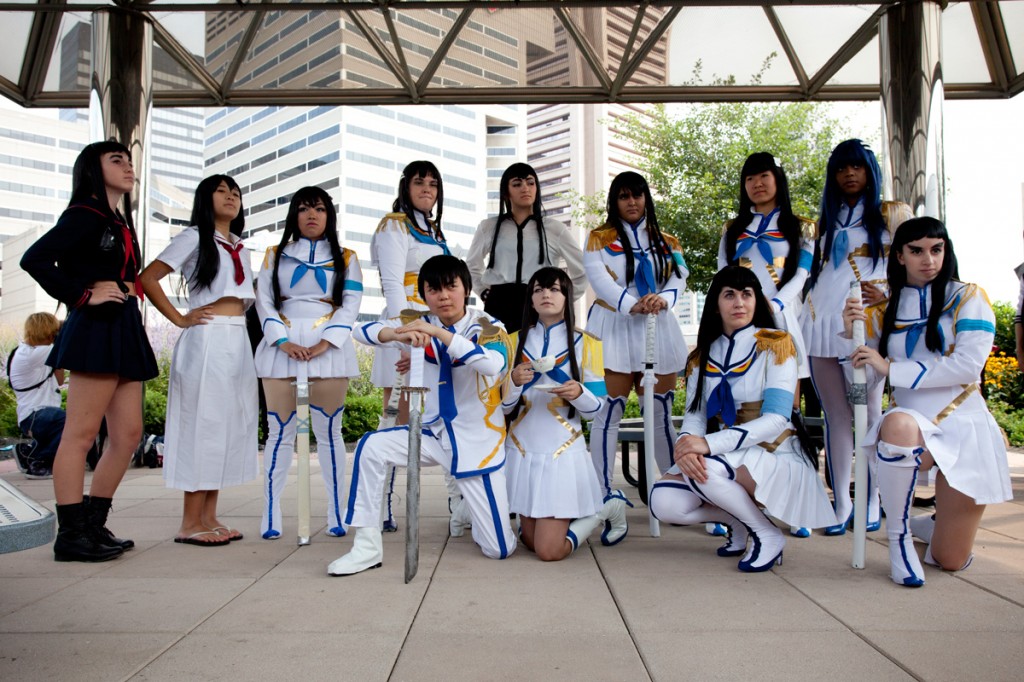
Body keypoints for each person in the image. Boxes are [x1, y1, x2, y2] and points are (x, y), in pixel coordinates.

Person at [843, 217, 1011, 587]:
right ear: (900, 256)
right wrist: (852, 337)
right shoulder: (881, 311)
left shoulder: (969, 297)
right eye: (916, 251)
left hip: (964, 425)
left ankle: (930, 524)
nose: (928, 259)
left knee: (949, 560)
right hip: (914, 426)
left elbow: (968, 366)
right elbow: (862, 384)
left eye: (936, 249)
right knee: (898, 423)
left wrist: (892, 368)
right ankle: (898, 538)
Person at [328, 255, 517, 575]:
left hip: (476, 441)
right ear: (425, 294)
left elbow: (491, 365)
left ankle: (467, 511)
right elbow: (359, 330)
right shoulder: (415, 320)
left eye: (451, 287)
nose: (443, 295)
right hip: (430, 432)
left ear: (466, 288)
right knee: (370, 447)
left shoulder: (488, 325)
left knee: (498, 549)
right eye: (434, 289)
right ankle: (366, 546)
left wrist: (439, 335)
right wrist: (396, 336)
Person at [21, 140, 159, 562]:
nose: (128, 167)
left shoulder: (118, 220)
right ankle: (71, 533)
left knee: (128, 435)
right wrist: (82, 295)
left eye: (129, 160)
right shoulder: (83, 214)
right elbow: (35, 259)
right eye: (116, 160)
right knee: (81, 434)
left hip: (123, 325)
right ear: (92, 170)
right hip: (95, 327)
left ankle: (94, 525)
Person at [649, 266, 835, 572]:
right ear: (715, 303)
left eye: (747, 294)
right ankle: (739, 519)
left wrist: (706, 445)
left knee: (706, 468)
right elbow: (695, 414)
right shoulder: (701, 356)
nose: (739, 302)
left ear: (756, 300)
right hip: (723, 452)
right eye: (729, 295)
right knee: (664, 502)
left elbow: (776, 418)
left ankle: (767, 534)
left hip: (775, 451)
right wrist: (686, 443)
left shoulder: (776, 343)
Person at [139, 174, 258, 546]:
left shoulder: (239, 245)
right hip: (206, 339)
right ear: (204, 199)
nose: (230, 197)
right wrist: (178, 319)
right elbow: (148, 278)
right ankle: (190, 522)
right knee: (202, 425)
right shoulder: (194, 237)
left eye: (235, 192)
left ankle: (209, 515)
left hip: (236, 338)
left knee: (226, 426)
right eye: (221, 191)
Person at [801, 139, 912, 536]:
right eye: (841, 169)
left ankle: (872, 499)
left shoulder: (892, 213)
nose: (849, 175)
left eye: (857, 167)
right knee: (836, 416)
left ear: (870, 171)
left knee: (869, 414)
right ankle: (842, 502)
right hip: (818, 323)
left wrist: (890, 294)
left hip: (865, 326)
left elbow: (915, 262)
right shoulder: (824, 221)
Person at [253, 186, 363, 540]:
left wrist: (325, 343)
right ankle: (271, 511)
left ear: (329, 214)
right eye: (303, 209)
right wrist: (281, 341)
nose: (311, 215)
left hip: (329, 348)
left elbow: (351, 303)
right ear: (293, 215)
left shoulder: (347, 256)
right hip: (280, 347)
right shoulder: (273, 254)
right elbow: (264, 301)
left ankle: (337, 510)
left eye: (318, 208)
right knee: (279, 432)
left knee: (330, 433)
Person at [718, 151, 817, 538]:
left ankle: (796, 507)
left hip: (780, 324)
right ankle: (735, 506)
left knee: (785, 418)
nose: (756, 184)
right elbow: (724, 276)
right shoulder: (732, 229)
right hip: (741, 327)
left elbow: (802, 276)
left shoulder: (802, 227)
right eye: (749, 179)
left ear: (778, 179)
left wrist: (774, 306)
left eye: (764, 176)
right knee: (740, 411)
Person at [503, 267, 627, 560]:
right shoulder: (511, 342)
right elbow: (502, 408)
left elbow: (597, 408)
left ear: (567, 296)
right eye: (538, 290)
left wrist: (579, 393)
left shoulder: (588, 343)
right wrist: (512, 383)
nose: (546, 295)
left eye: (555, 289)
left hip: (562, 450)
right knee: (530, 543)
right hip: (521, 450)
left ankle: (606, 508)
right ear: (531, 299)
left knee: (548, 551)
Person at [585, 171, 688, 508]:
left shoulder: (668, 241)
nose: (632, 202)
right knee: (608, 412)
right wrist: (633, 304)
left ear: (646, 198)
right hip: (614, 326)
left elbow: (680, 278)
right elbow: (599, 279)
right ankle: (600, 493)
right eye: (624, 196)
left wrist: (664, 300)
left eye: (638, 195)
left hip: (657, 326)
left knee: (659, 415)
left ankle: (681, 493)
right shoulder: (598, 238)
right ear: (615, 201)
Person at [370, 160, 453, 532]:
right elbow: (391, 286)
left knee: (445, 416)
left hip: (435, 334)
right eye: (420, 182)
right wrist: (403, 338)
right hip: (405, 335)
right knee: (397, 421)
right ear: (406, 186)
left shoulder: (435, 232)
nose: (427, 190)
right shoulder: (394, 225)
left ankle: (458, 504)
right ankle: (381, 503)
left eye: (433, 184)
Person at [466, 162, 586, 333]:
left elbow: (582, 269)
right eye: (517, 184)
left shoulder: (554, 228)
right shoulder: (488, 227)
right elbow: (471, 266)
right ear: (506, 192)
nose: (525, 188)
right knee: (500, 356)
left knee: (538, 357)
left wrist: (561, 300)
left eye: (530, 183)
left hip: (538, 303)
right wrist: (484, 293)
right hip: (499, 304)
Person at [9, 313, 65, 479]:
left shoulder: (34, 351)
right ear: (47, 332)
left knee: (63, 421)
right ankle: (40, 462)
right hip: (36, 415)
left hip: (37, 415)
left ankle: (27, 451)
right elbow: (68, 343)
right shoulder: (32, 354)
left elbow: (59, 381)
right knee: (70, 421)